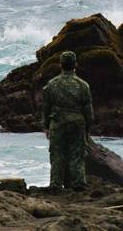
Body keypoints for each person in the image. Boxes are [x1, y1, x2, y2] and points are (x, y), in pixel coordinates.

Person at [42, 50, 94, 192]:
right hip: (77, 122)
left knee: (57, 155)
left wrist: (46, 126)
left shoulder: (52, 84)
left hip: (57, 123)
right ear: (75, 65)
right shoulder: (83, 85)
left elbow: (46, 108)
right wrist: (88, 128)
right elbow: (88, 111)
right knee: (77, 154)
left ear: (61, 65)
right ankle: (78, 184)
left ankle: (56, 185)